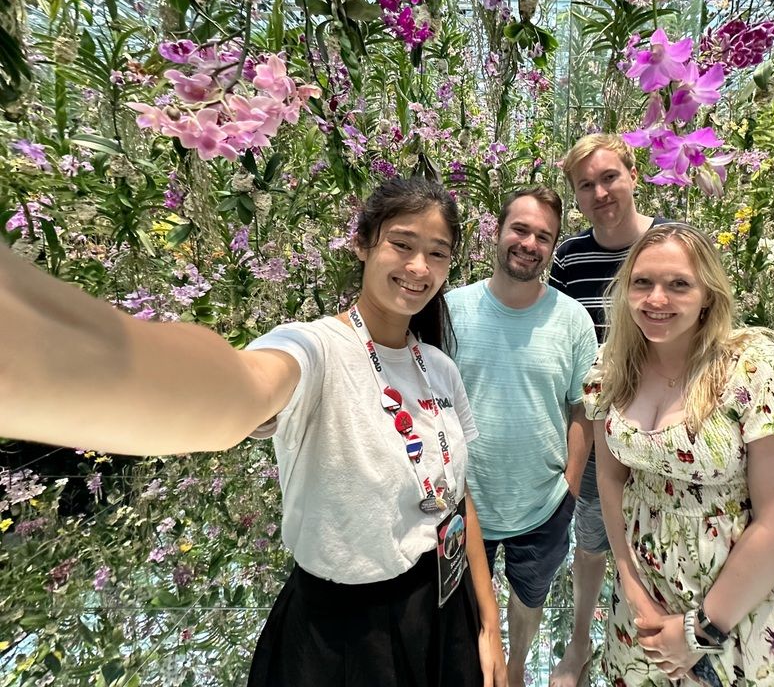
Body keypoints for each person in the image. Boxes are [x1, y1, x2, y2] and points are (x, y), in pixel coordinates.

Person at [0, 179, 507, 687]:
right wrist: (59, 365)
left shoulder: (438, 368)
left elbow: (459, 499)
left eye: (437, 253)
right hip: (348, 633)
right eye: (402, 243)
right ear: (362, 242)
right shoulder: (317, 349)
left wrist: (488, 625)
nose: (419, 267)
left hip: (443, 604)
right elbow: (242, 387)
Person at [583, 223, 774, 686]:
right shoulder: (610, 369)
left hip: (741, 608)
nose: (657, 299)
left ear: (707, 295)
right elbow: (612, 481)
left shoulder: (750, 366)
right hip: (644, 600)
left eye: (679, 284)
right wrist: (631, 584)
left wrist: (700, 628)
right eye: (643, 283)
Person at [445, 186, 598, 687]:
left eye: (543, 236)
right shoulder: (450, 311)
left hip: (544, 503)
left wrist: (570, 488)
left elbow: (581, 408)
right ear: (498, 229)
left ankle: (515, 670)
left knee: (530, 597)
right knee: (467, 610)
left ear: (553, 246)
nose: (529, 243)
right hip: (465, 505)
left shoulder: (571, 319)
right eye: (521, 229)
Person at [548, 133, 668, 686]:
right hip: (597, 427)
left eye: (608, 177)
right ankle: (579, 645)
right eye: (585, 185)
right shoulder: (570, 256)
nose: (600, 192)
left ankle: (664, 637)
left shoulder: (669, 243)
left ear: (633, 174)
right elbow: (553, 334)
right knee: (592, 537)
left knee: (668, 527)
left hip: (665, 421)